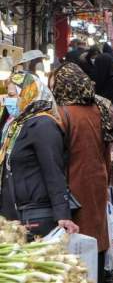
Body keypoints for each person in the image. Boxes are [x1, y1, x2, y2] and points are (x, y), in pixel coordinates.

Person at [52, 63, 113, 283]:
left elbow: (57, 158)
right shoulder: (100, 109)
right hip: (97, 184)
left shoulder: (62, 113)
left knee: (75, 244)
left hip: (74, 188)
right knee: (95, 243)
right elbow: (107, 150)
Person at [0, 72, 79, 237]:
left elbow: (53, 171)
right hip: (16, 213)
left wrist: (62, 215)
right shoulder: (17, 125)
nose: (8, 100)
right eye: (7, 95)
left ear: (28, 93)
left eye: (12, 95)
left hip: (36, 215)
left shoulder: (43, 125)